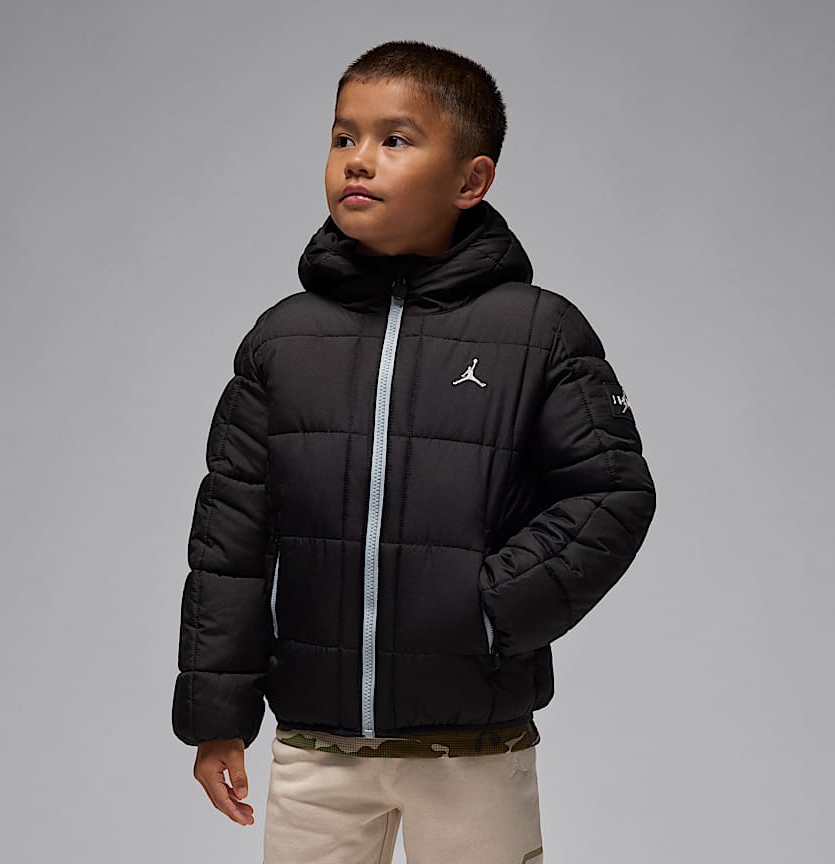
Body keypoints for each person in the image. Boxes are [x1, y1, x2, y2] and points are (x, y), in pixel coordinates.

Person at [172, 39, 656, 864]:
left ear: (471, 180)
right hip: (318, 747)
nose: (358, 159)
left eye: (394, 139)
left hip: (474, 745)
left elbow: (612, 493)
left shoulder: (539, 332)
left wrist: (489, 609)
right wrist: (218, 719)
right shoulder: (282, 341)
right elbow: (230, 543)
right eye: (343, 137)